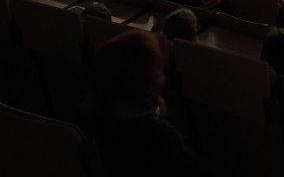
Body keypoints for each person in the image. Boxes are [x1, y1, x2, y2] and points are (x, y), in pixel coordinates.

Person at [78, 30, 196, 177]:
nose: (163, 80)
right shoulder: (161, 136)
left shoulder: (86, 118)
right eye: (158, 72)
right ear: (147, 81)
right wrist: (164, 119)